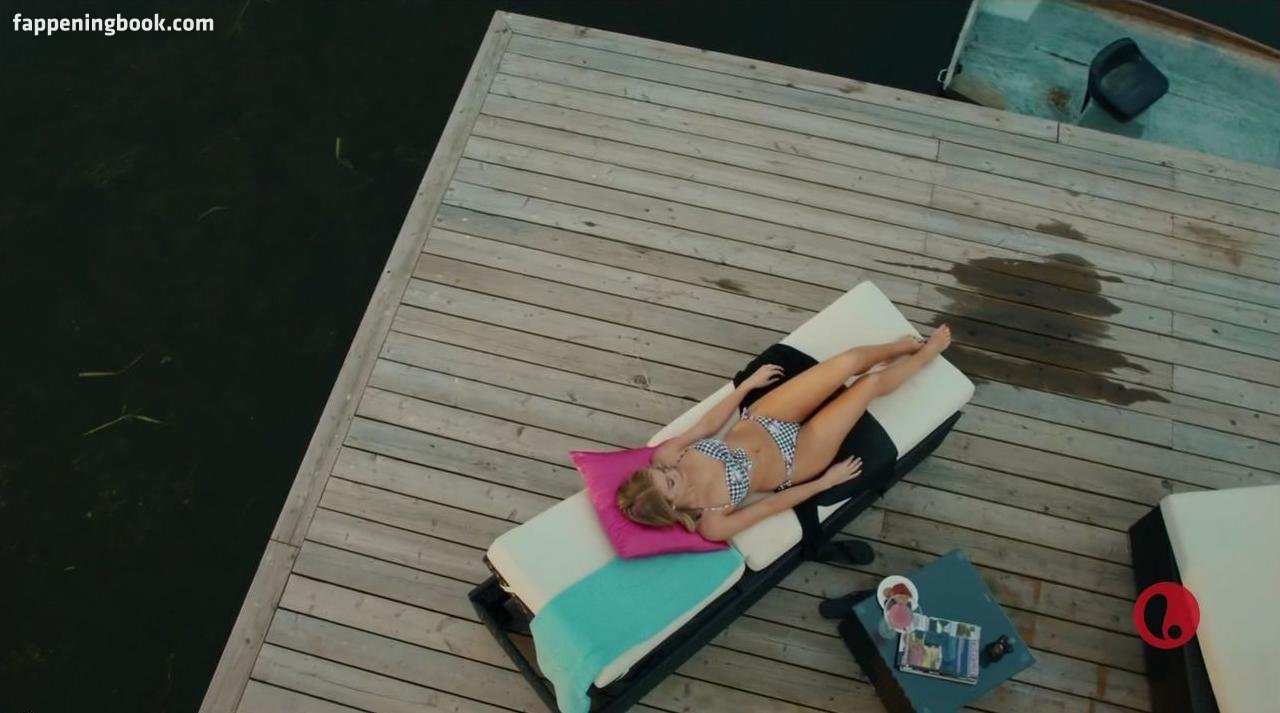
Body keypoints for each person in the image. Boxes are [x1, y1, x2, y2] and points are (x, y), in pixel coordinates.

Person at [617, 325, 952, 557]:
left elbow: (707, 425)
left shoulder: (666, 456)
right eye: (670, 481)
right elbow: (769, 506)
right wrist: (824, 482)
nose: (671, 471)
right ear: (671, 506)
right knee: (867, 386)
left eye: (662, 472)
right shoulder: (712, 522)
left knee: (848, 362)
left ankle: (900, 347)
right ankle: (924, 357)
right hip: (797, 458)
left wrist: (747, 386)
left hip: (763, 418)